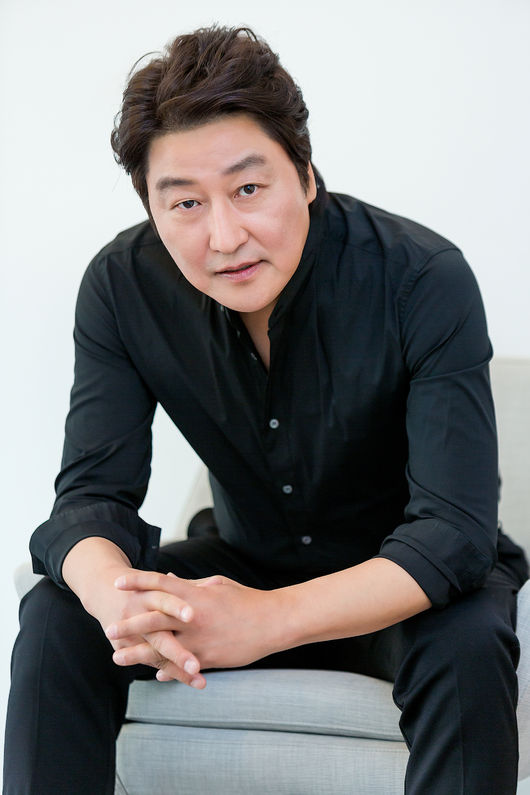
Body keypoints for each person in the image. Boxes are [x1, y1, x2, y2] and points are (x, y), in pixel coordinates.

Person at [3, 25, 528, 795]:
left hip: (397, 585)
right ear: (152, 207)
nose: (224, 236)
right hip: (241, 559)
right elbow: (88, 500)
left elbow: (453, 533)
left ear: (305, 175)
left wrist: (267, 618)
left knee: (470, 638)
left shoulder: (422, 278)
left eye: (249, 189)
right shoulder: (121, 287)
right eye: (185, 202)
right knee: (59, 611)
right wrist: (116, 600)